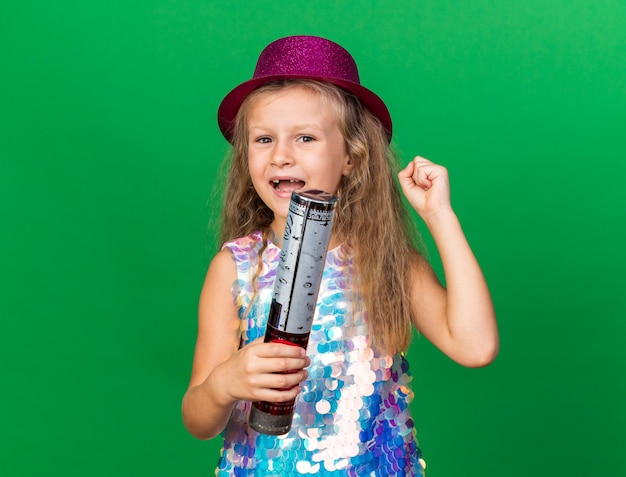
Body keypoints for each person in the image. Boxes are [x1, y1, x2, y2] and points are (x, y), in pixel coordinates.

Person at [182, 35, 498, 476]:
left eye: (305, 137)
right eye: (264, 139)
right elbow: (198, 419)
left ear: (352, 155)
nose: (281, 156)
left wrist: (439, 217)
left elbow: (475, 346)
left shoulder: (386, 261)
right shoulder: (235, 267)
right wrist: (225, 384)